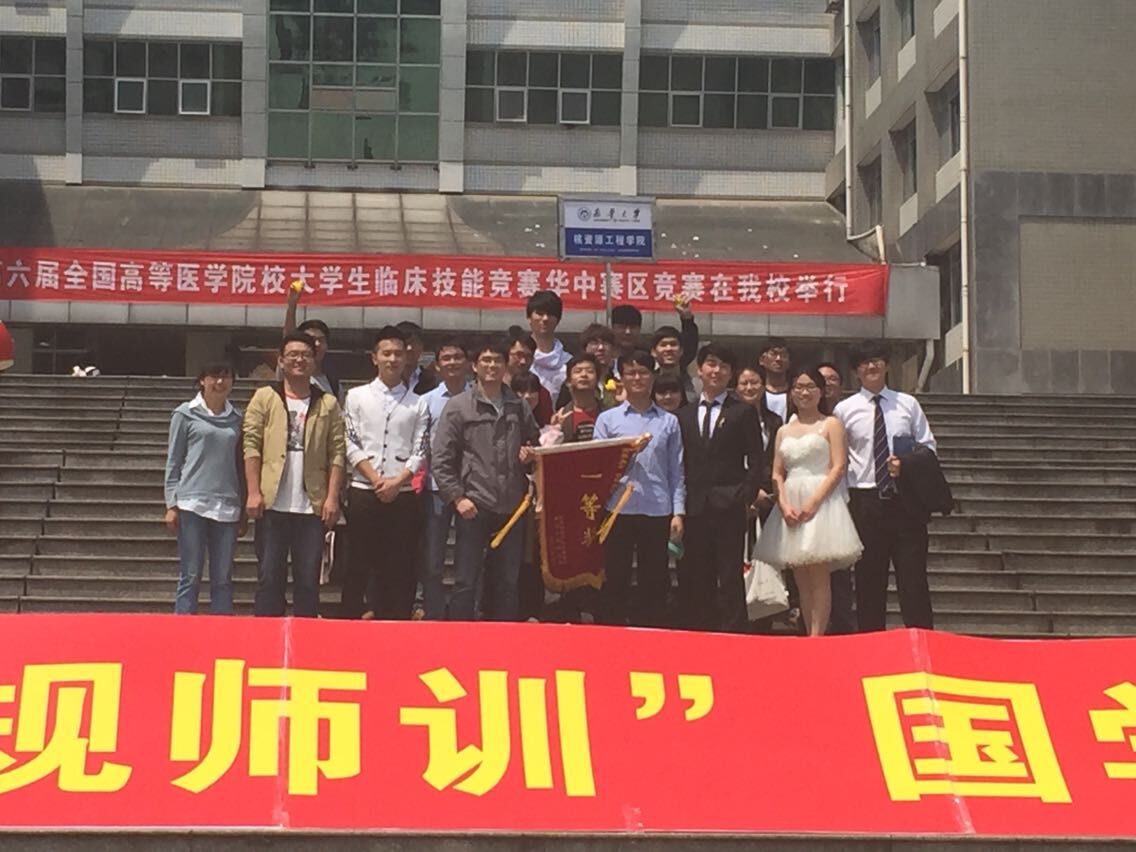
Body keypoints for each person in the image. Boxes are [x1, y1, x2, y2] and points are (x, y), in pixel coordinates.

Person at [431, 338, 540, 621]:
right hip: (474, 505)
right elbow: (441, 458)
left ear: (506, 366)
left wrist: (530, 455)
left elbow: (535, 446)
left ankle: (503, 638)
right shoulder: (458, 407)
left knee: (507, 582)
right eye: (486, 361)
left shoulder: (518, 406)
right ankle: (461, 636)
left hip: (512, 507)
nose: (492, 366)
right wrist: (457, 498)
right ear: (474, 366)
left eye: (497, 361)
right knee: (466, 580)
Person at [834, 341, 938, 632]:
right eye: (865, 363)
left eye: (877, 361)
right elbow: (840, 459)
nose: (872, 367)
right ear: (856, 371)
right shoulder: (845, 410)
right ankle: (871, 640)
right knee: (868, 578)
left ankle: (920, 636)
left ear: (887, 365)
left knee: (913, 578)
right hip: (865, 499)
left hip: (905, 499)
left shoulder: (907, 404)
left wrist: (906, 464)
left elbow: (928, 446)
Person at [752, 367, 863, 637]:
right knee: (800, 573)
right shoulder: (783, 430)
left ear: (821, 391)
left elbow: (838, 467)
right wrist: (784, 504)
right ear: (791, 392)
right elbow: (777, 472)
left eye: (811, 386)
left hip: (822, 500)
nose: (805, 392)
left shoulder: (831, 424)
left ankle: (818, 634)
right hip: (790, 500)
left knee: (819, 571)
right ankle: (807, 631)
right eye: (799, 387)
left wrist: (814, 502)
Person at [244, 332, 346, 618]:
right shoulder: (265, 397)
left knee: (308, 580)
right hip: (272, 502)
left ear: (314, 361)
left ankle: (305, 635)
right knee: (269, 577)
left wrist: (332, 498)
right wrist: (253, 491)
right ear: (281, 361)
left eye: (305, 355)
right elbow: (251, 444)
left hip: (311, 505)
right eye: (293, 355)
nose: (299, 360)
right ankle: (266, 634)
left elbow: (337, 453)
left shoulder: (327, 403)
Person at [676, 344, 765, 632]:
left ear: (731, 374)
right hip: (694, 505)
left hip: (730, 504)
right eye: (711, 364)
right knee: (696, 572)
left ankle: (733, 631)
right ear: (700, 370)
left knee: (729, 573)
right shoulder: (683, 414)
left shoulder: (742, 411)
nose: (717, 371)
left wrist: (745, 496)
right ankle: (700, 629)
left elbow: (757, 459)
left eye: (724, 366)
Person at [341, 326, 429, 620]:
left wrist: (397, 481)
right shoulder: (356, 396)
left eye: (398, 354)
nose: (392, 359)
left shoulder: (418, 403)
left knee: (400, 565)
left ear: (407, 358)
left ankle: (396, 622)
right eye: (386, 353)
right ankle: (353, 619)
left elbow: (420, 449)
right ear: (374, 357)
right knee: (358, 562)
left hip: (402, 494)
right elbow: (350, 441)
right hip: (364, 490)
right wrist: (376, 479)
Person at [593, 351, 685, 627]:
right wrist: (625, 452)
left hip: (656, 507)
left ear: (653, 377)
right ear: (621, 378)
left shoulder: (668, 421)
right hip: (617, 507)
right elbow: (598, 464)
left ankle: (651, 630)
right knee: (616, 575)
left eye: (643, 372)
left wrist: (678, 511)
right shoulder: (608, 419)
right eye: (630, 373)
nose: (637, 378)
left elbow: (676, 469)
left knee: (654, 577)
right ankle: (612, 629)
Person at [164, 362, 245, 615]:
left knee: (223, 578)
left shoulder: (238, 419)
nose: (220, 382)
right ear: (202, 380)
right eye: (214, 377)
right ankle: (184, 628)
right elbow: (174, 460)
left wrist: (244, 507)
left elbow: (241, 464)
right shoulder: (185, 414)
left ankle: (221, 630)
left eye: (226, 377)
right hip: (192, 502)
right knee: (190, 574)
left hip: (227, 504)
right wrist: (171, 503)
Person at [419, 337, 470, 620]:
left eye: (457, 357)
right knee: (432, 559)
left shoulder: (479, 396)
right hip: (436, 487)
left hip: (473, 488)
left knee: (469, 559)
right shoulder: (426, 402)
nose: (452, 363)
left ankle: (464, 614)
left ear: (468, 363)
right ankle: (434, 613)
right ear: (437, 366)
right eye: (446, 358)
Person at [815, 360, 855, 635]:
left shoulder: (847, 414)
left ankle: (842, 625)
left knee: (839, 571)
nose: (827, 384)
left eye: (833, 379)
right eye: (822, 380)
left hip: (843, 499)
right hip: (806, 500)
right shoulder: (799, 418)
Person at [283, 285, 339, 397]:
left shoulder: (333, 385)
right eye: (312, 340)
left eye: (321, 340)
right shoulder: (291, 374)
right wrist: (292, 305)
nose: (317, 344)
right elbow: (289, 340)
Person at [649, 296, 701, 401]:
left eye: (673, 344)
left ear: (681, 350)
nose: (669, 349)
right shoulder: (647, 385)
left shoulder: (697, 387)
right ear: (653, 352)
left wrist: (687, 318)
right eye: (663, 345)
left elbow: (691, 342)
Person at [556, 323, 618, 409]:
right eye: (594, 343)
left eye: (605, 343)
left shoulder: (619, 380)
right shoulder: (574, 382)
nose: (601, 348)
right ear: (585, 349)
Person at [526, 291, 572, 400]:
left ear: (558, 319)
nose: (545, 318)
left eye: (551, 314)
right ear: (529, 318)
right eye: (540, 313)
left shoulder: (568, 362)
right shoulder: (519, 359)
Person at [505, 327, 554, 424]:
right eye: (518, 355)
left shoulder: (541, 393)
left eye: (528, 357)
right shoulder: (493, 387)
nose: (523, 362)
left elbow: (545, 425)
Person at [396, 320, 438, 395]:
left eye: (413, 342)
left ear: (422, 346)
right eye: (405, 343)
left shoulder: (433, 382)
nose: (409, 348)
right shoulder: (384, 382)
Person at [759, 338, 791, 421]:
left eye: (783, 355)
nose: (778, 359)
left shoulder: (795, 392)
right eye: (773, 354)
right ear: (761, 360)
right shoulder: (755, 392)